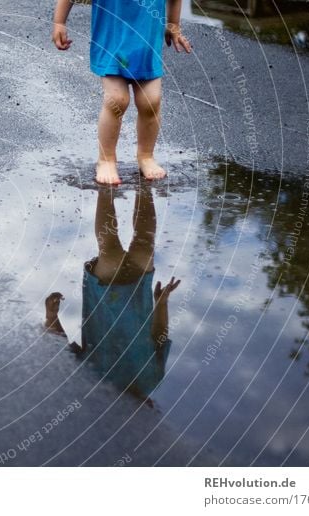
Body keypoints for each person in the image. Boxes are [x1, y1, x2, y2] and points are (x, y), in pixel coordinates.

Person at [44, 184, 180, 400]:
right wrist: (161, 303)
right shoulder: (152, 379)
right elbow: (159, 338)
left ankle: (105, 188)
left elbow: (65, 350)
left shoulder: (95, 383)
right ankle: (144, 187)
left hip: (104, 294)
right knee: (144, 244)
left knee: (110, 251)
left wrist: (51, 317)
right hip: (138, 293)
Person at [51, 0, 192, 184]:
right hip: (111, 43)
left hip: (146, 46)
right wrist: (59, 23)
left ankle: (146, 156)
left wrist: (173, 26)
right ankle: (106, 159)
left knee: (151, 101)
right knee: (117, 99)